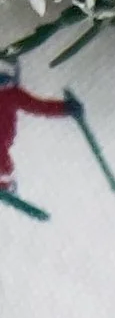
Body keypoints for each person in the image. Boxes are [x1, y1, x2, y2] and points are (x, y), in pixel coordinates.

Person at [0, 55, 79, 222]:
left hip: (3, 143)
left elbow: (39, 106)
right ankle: (4, 183)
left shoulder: (13, 94)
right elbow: (39, 106)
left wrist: (65, 108)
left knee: (3, 160)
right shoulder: (12, 94)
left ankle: (5, 183)